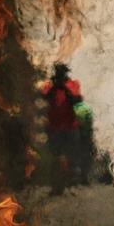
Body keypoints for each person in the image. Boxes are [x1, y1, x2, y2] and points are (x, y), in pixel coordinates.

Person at [40, 64, 81, 196]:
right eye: (58, 73)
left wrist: (63, 87)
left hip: (70, 126)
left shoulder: (73, 84)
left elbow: (76, 100)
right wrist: (55, 86)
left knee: (70, 157)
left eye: (62, 73)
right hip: (54, 127)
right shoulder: (49, 86)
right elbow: (43, 96)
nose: (60, 76)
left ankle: (70, 185)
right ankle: (56, 187)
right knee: (56, 157)